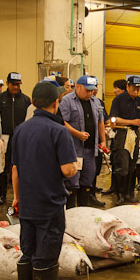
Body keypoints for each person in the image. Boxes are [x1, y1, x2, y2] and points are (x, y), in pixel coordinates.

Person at [12, 81, 77, 280]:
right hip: (49, 206)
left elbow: (15, 168)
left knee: (28, 253)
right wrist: (76, 166)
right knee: (46, 258)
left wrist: (16, 198)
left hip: (27, 204)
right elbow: (67, 170)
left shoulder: (21, 129)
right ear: (56, 103)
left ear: (32, 102)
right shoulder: (59, 130)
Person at [60, 75, 106, 208]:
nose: (90, 93)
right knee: (72, 181)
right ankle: (70, 212)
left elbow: (100, 122)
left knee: (87, 180)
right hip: (74, 150)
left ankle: (83, 210)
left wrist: (103, 141)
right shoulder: (67, 101)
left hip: (91, 150)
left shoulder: (96, 102)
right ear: (78, 87)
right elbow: (62, 122)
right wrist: (78, 134)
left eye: (92, 91)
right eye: (87, 90)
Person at [0, 71, 30, 206]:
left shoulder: (26, 100)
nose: (16, 87)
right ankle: (2, 195)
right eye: (13, 85)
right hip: (4, 137)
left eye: (18, 85)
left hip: (20, 137)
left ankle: (21, 195)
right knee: (3, 166)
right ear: (8, 84)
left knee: (20, 166)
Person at [109, 76, 140, 203]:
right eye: (133, 89)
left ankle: (129, 193)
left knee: (132, 166)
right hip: (122, 133)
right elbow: (113, 119)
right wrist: (131, 122)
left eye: (138, 89)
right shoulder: (118, 100)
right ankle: (120, 194)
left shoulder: (139, 101)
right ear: (127, 87)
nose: (136, 92)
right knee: (122, 166)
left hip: (134, 135)